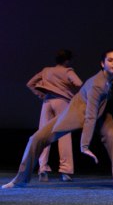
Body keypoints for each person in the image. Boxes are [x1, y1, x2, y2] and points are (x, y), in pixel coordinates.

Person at [3, 50, 113, 191]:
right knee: (37, 138)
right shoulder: (96, 84)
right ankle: (20, 179)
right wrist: (84, 146)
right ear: (102, 63)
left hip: (102, 114)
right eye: (110, 60)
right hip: (79, 113)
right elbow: (90, 115)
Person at [26, 49, 83, 182]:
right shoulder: (68, 71)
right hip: (62, 102)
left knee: (43, 134)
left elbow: (30, 84)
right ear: (68, 60)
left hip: (47, 103)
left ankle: (42, 169)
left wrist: (41, 95)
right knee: (64, 135)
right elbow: (79, 84)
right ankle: (65, 171)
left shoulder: (46, 70)